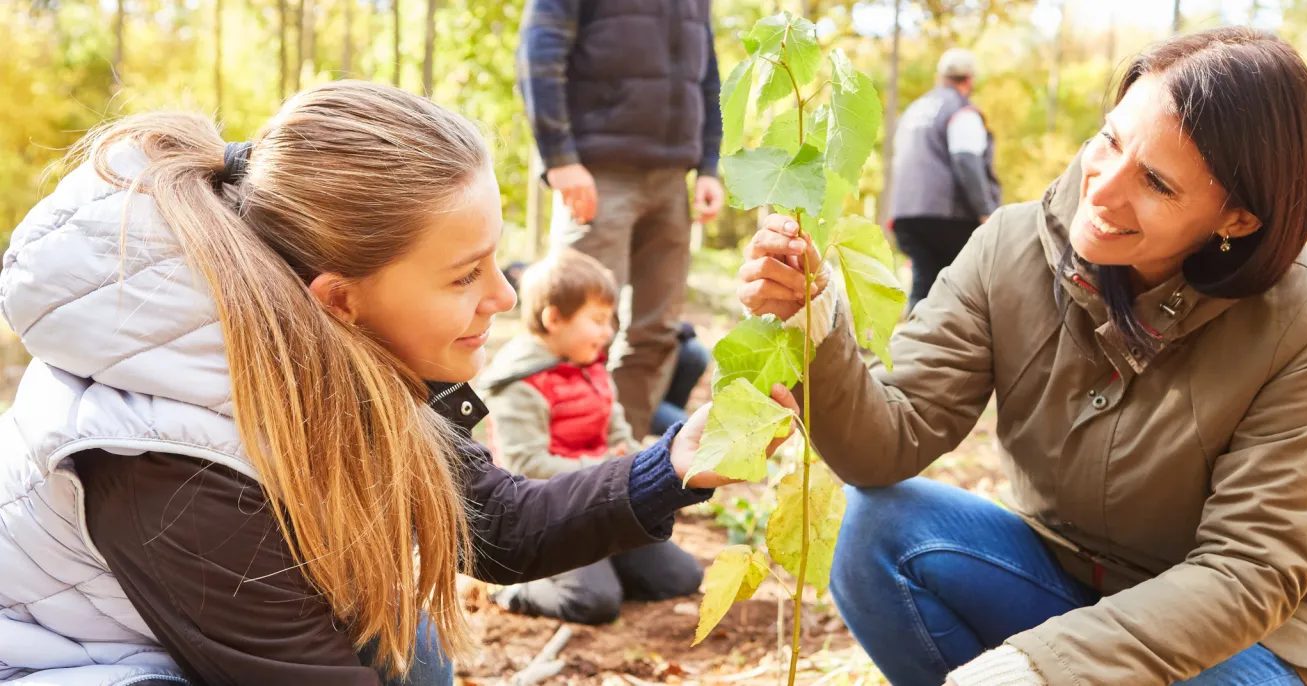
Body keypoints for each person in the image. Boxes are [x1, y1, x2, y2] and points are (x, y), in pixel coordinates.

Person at [0, 81, 791, 686]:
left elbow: (497, 525)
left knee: (405, 642)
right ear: (339, 298)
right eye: (462, 276)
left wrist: (678, 459)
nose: (506, 299)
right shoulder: (173, 462)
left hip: (195, 624)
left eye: (495, 259)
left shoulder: (349, 340)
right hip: (67, 661)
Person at [739, 28, 1307, 686]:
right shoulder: (1011, 248)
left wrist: (1040, 668)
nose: (1101, 189)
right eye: (1109, 140)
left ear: (1237, 220)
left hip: (1254, 636)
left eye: (1156, 182)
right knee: (884, 530)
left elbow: (1248, 574)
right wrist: (816, 320)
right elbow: (892, 436)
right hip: (1066, 582)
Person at [518, 0, 725, 439]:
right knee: (575, 325)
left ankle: (622, 477)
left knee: (657, 334)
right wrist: (560, 158)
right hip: (596, 173)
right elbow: (540, 52)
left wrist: (709, 165)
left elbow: (707, 77)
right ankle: (553, 476)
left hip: (672, 179)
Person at [480, 249, 703, 625]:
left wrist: (641, 470)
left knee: (681, 577)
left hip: (603, 500)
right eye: (598, 320)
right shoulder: (519, 385)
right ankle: (515, 589)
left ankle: (604, 567)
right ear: (554, 319)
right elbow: (526, 466)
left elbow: (619, 433)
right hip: (551, 516)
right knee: (593, 602)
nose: (608, 331)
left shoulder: (592, 367)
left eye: (610, 320)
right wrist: (606, 466)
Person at [888, 47, 1002, 312]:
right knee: (962, 288)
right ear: (969, 80)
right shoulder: (961, 111)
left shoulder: (913, 110)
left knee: (923, 284)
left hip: (907, 213)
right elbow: (966, 161)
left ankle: (911, 346)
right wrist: (985, 211)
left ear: (939, 76)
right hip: (948, 215)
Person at [652, 322, 711, 437]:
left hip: (654, 384)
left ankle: (673, 409)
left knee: (696, 352)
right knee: (688, 426)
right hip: (634, 397)